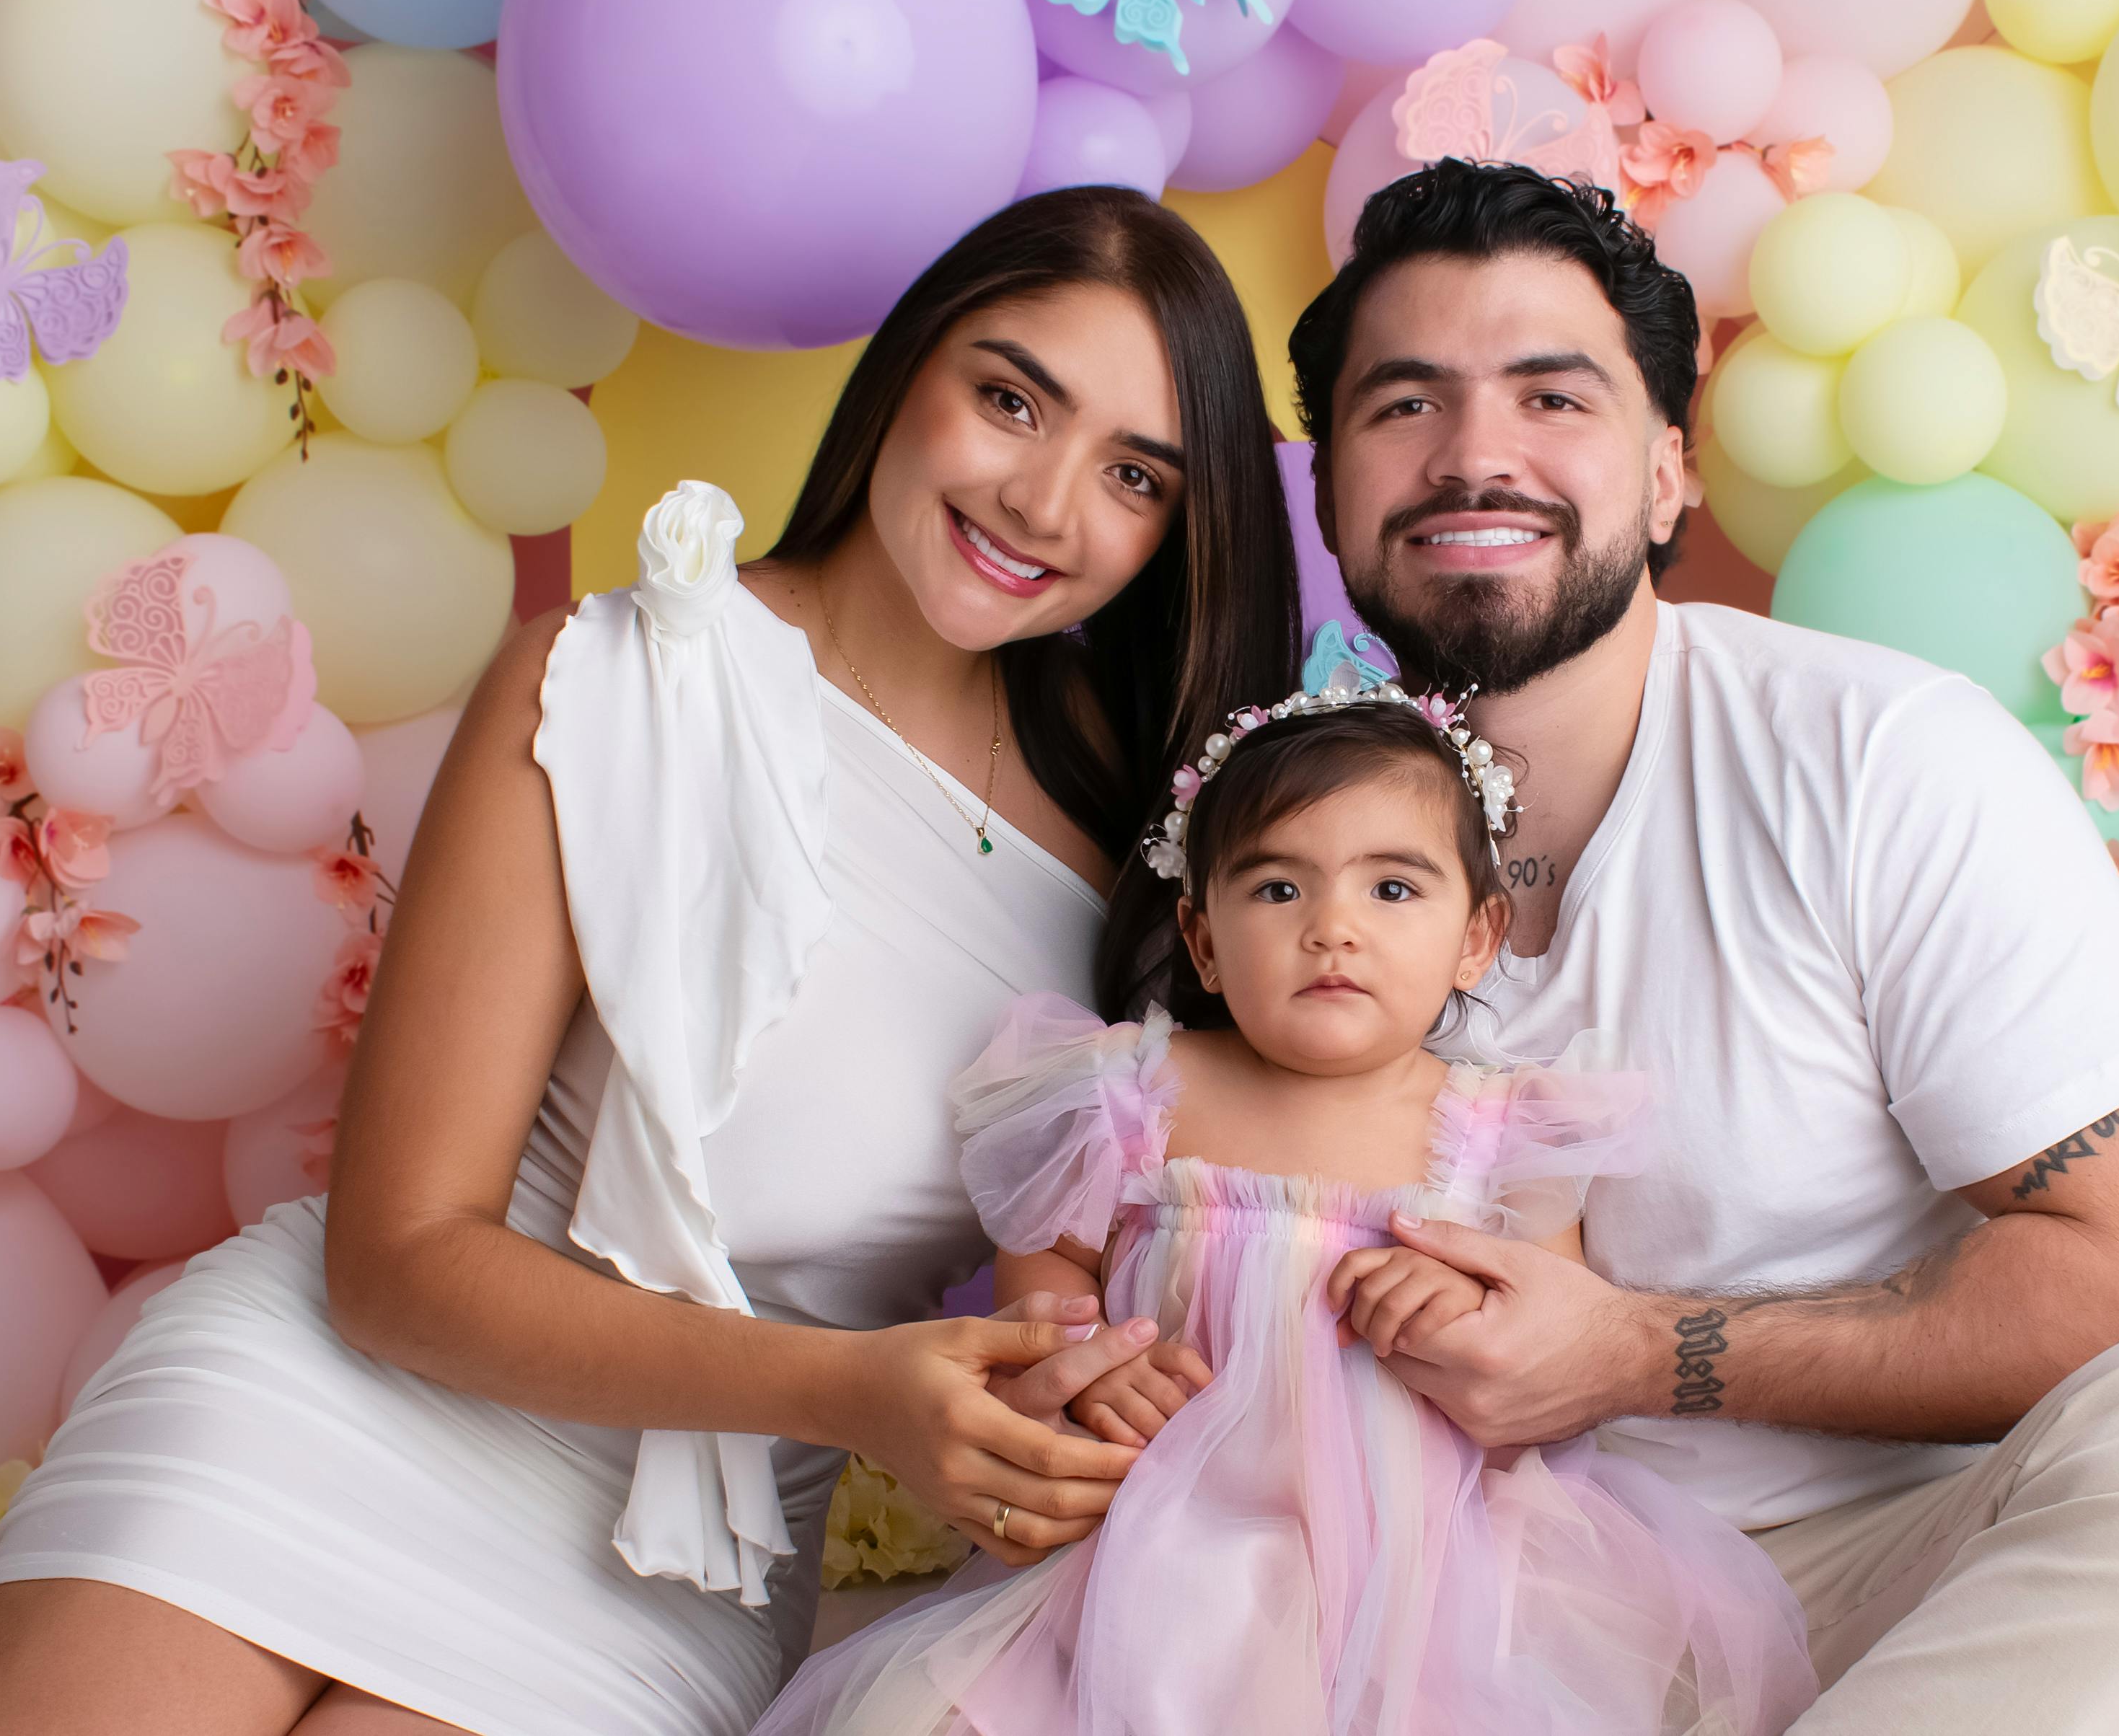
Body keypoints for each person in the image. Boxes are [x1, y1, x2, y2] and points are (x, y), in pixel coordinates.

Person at [0, 186, 1300, 1736]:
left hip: (665, 1567)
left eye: (1131, 473)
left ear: (1177, 527)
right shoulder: (613, 669)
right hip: (323, 1406)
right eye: (1010, 397)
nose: (1041, 499)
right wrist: (860, 1391)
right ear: (908, 374)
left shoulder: (1156, 872)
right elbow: (397, 1261)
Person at [1269, 159, 2119, 1735]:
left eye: (1551, 398)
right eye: (1402, 405)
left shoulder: (1876, 760)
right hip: (1442, 1603)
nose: (1474, 456)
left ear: (1666, 475)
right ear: (1331, 490)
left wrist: (1630, 1352)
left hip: (1879, 1587)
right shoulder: (1268, 829)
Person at [757, 690, 1815, 1736]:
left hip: (1420, 1576)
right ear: (1203, 938)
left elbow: (1552, 1355)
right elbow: (1044, 1271)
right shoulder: (1127, 1090)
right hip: (1149, 1551)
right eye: (1275, 889)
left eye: (1392, 887)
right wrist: (1089, 1362)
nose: (1332, 930)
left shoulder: (1499, 1128)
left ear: (1476, 936)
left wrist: (1462, 1305)